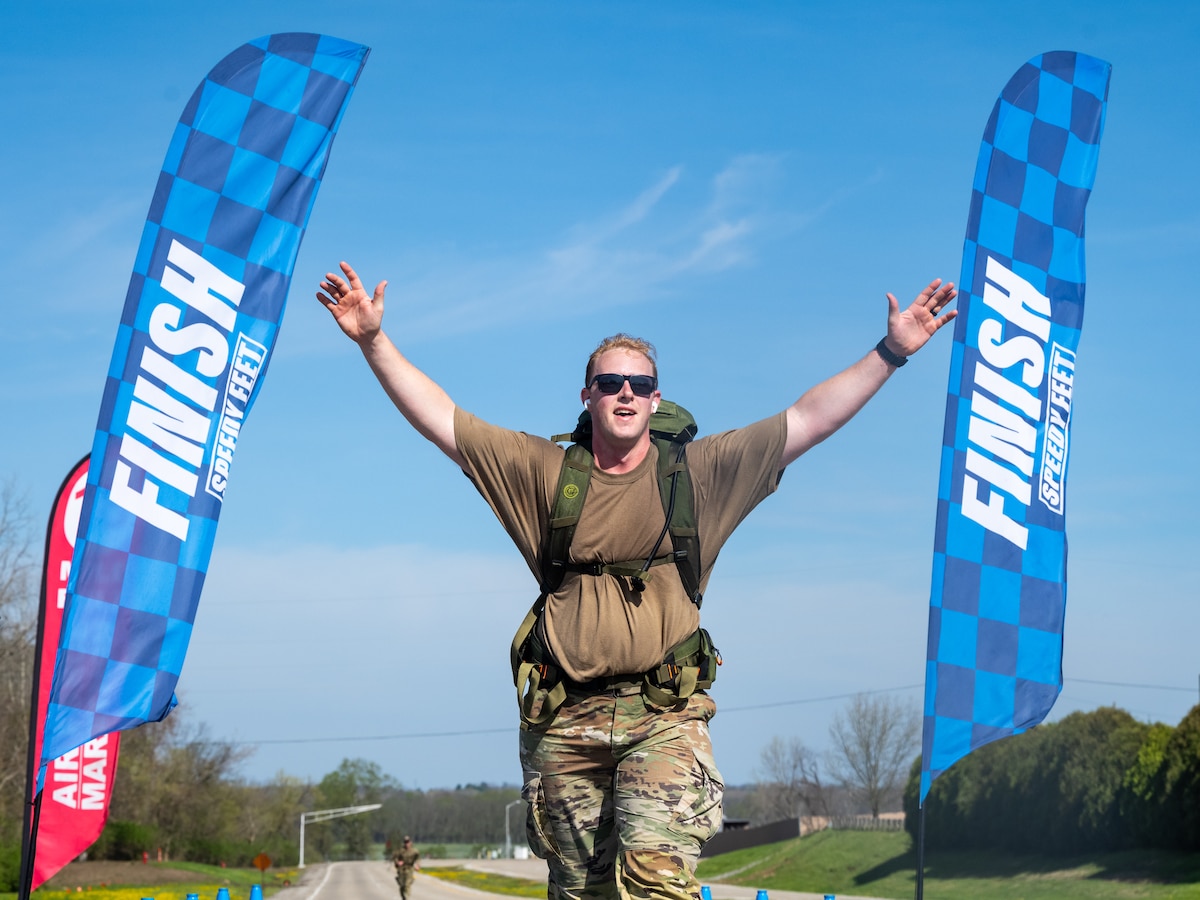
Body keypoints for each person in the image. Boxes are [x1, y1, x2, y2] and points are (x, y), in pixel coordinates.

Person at [317, 262, 956, 900]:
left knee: (655, 885)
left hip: (665, 715)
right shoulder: (542, 473)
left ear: (655, 399)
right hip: (564, 719)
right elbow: (444, 421)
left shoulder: (701, 474)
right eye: (610, 381)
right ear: (587, 395)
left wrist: (891, 352)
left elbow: (807, 420)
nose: (625, 392)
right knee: (580, 893)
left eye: (639, 384)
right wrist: (373, 341)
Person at [393, 835, 420, 900]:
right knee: (402, 885)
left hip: (410, 869)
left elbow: (418, 858)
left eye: (408, 842)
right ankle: (404, 897)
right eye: (405, 842)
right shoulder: (400, 850)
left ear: (410, 842)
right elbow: (395, 857)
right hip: (401, 869)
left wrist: (417, 865)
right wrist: (397, 863)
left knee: (407, 884)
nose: (406, 844)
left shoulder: (414, 851)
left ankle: (407, 898)